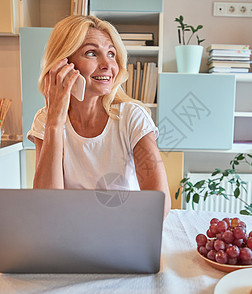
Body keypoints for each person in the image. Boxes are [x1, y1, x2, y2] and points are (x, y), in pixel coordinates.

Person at [27, 15, 171, 218]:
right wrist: (55, 123)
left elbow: (160, 204)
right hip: (68, 233)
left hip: (122, 228)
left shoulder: (132, 117)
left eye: (111, 54)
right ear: (63, 64)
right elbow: (46, 206)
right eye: (92, 53)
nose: (107, 65)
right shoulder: (45, 120)